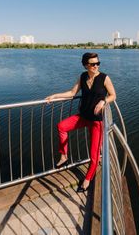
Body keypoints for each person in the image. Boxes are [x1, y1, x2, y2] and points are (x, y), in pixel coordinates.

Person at [45, 52, 117, 192]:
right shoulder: (82, 76)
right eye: (93, 64)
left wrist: (103, 101)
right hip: (83, 117)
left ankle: (87, 179)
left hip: (97, 121)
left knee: (94, 154)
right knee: (61, 126)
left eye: (98, 63)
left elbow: (113, 95)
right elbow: (72, 93)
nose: (96, 66)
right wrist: (54, 96)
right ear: (86, 65)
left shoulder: (104, 78)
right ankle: (64, 155)